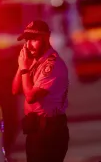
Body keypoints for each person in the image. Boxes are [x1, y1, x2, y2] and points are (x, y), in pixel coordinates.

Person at [12, 20, 69, 162]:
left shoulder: (52, 64)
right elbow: (15, 90)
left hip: (50, 132)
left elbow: (31, 96)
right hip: (35, 130)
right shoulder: (34, 62)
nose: (29, 45)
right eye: (27, 40)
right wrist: (21, 67)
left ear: (46, 38)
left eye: (34, 39)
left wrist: (24, 69)